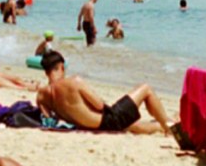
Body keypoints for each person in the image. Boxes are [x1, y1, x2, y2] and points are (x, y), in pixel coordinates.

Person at [36, 51, 170, 134]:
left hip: (88, 127)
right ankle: (169, 127)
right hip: (106, 122)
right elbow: (99, 105)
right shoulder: (74, 82)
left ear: (46, 71)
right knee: (146, 89)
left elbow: (49, 121)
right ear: (61, 67)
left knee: (136, 126)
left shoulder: (41, 96)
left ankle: (166, 123)